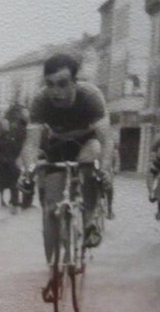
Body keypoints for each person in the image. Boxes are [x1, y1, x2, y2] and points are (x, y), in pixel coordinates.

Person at [16, 53, 113, 299]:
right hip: (57, 147)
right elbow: (31, 144)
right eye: (50, 84)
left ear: (74, 81)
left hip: (86, 143)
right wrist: (27, 171)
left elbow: (106, 140)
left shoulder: (91, 97)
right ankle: (53, 274)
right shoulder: (39, 101)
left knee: (91, 159)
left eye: (62, 83)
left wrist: (106, 169)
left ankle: (90, 219)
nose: (55, 91)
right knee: (50, 209)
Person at [0, 117, 25, 212]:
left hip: (11, 164)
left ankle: (14, 200)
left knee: (14, 181)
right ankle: (2, 199)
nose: (7, 127)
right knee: (2, 184)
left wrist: (16, 157)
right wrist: (2, 159)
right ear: (1, 127)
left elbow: (16, 149)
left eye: (7, 125)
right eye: (5, 125)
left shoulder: (11, 137)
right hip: (2, 165)